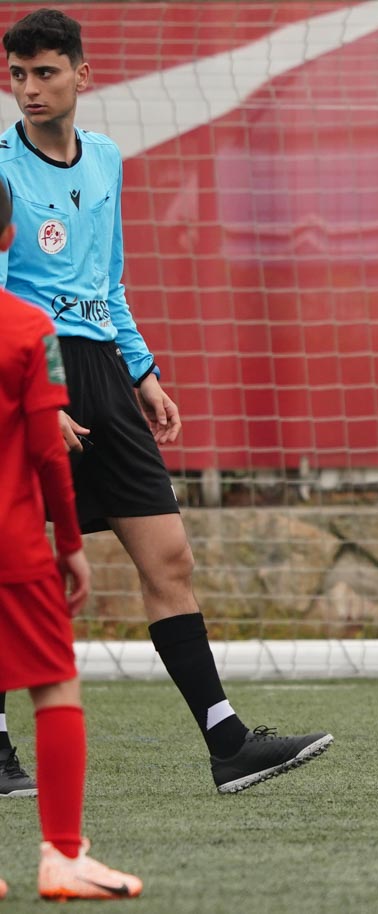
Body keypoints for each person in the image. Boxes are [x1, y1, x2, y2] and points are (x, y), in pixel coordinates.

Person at [0, 8, 331, 796]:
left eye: (45, 72)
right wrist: (35, 394)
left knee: (169, 557)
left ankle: (227, 744)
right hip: (28, 371)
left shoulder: (107, 158)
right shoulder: (1, 166)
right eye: (17, 74)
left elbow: (107, 281)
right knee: (14, 566)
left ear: (83, 74)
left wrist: (143, 373)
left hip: (105, 376)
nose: (29, 89)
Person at [0, 180, 142, 900]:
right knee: (55, 684)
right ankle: (61, 855)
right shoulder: (29, 331)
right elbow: (52, 454)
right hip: (13, 543)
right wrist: (69, 546)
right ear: (8, 240)